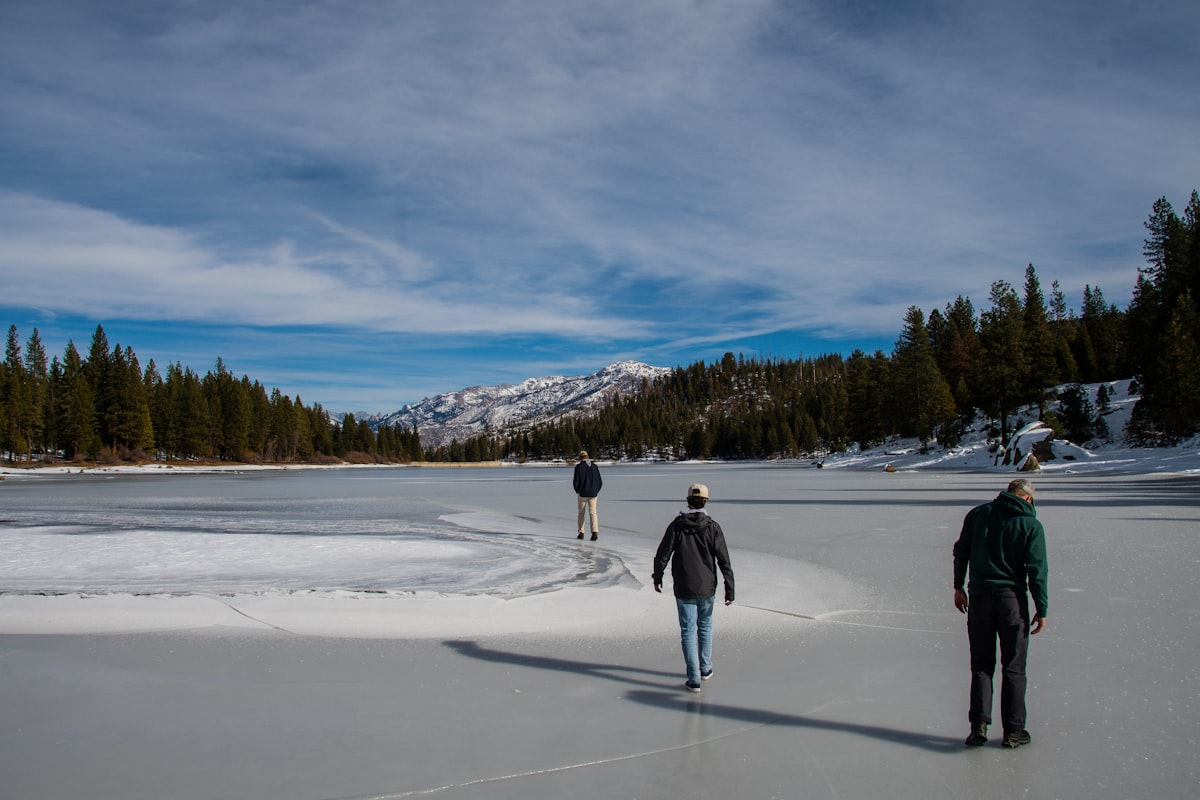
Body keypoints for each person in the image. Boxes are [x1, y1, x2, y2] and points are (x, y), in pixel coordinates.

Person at [953, 477, 1049, 749]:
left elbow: (961, 552)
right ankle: (1014, 731)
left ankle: (978, 727)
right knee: (1014, 666)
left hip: (980, 598)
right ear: (1027, 498)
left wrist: (958, 586)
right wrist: (1041, 608)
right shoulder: (1031, 525)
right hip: (1011, 602)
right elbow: (1037, 572)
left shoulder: (977, 515)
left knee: (981, 665)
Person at [652, 483, 735, 693]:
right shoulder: (712, 527)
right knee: (704, 627)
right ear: (706, 501)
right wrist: (729, 588)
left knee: (688, 631)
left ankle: (694, 677)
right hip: (706, 586)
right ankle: (705, 669)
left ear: (688, 501)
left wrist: (657, 576)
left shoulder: (677, 525)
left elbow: (663, 553)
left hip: (684, 586)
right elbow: (724, 560)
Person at [573, 450, 603, 540]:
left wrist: (578, 491)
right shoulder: (594, 466)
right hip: (593, 494)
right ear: (587, 456)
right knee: (593, 513)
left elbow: (576, 482)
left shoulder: (578, 467)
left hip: (582, 494)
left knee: (581, 513)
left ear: (580, 458)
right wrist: (596, 490)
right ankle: (594, 532)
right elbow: (600, 481)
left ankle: (581, 533)